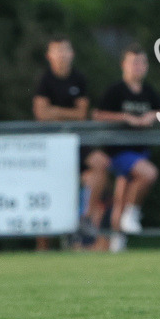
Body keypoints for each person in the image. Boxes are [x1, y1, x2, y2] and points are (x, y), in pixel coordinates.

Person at [33, 35, 111, 250]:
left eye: (65, 50)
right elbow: (40, 114)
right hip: (52, 146)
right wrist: (66, 113)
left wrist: (54, 111)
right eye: (57, 51)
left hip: (75, 142)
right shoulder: (44, 80)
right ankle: (43, 248)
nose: (61, 55)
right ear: (50, 55)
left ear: (72, 53)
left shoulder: (79, 78)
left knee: (101, 165)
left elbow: (81, 114)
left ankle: (85, 219)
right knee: (48, 190)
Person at [92, 43, 160, 252]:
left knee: (121, 197)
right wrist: (125, 118)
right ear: (123, 65)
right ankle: (131, 214)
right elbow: (98, 115)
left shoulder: (148, 91)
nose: (138, 67)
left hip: (140, 151)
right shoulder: (116, 90)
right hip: (119, 152)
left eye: (142, 62)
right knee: (149, 174)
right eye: (133, 62)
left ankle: (117, 241)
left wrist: (153, 115)